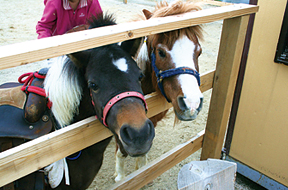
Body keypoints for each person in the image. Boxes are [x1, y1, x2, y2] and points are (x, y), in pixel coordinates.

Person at [36, 0, 102, 39]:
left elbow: (99, 26)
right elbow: (44, 26)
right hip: (59, 45)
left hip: (83, 43)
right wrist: (48, 45)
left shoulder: (92, 2)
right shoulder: (54, 2)